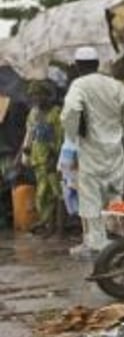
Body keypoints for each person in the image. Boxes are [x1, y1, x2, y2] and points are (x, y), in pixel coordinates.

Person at [61, 46, 124, 258]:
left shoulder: (79, 85)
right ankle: (119, 241)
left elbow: (70, 111)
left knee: (91, 199)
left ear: (78, 66)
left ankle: (97, 245)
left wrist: (75, 133)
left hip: (91, 151)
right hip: (115, 150)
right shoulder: (114, 85)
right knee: (115, 196)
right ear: (97, 64)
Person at [20, 81, 63, 235]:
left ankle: (58, 228)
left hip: (53, 159)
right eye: (33, 96)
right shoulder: (33, 113)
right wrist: (26, 152)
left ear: (47, 96)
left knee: (57, 193)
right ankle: (47, 225)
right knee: (43, 193)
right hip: (38, 159)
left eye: (39, 94)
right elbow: (29, 135)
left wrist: (56, 157)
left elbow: (60, 137)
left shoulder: (56, 113)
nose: (36, 98)